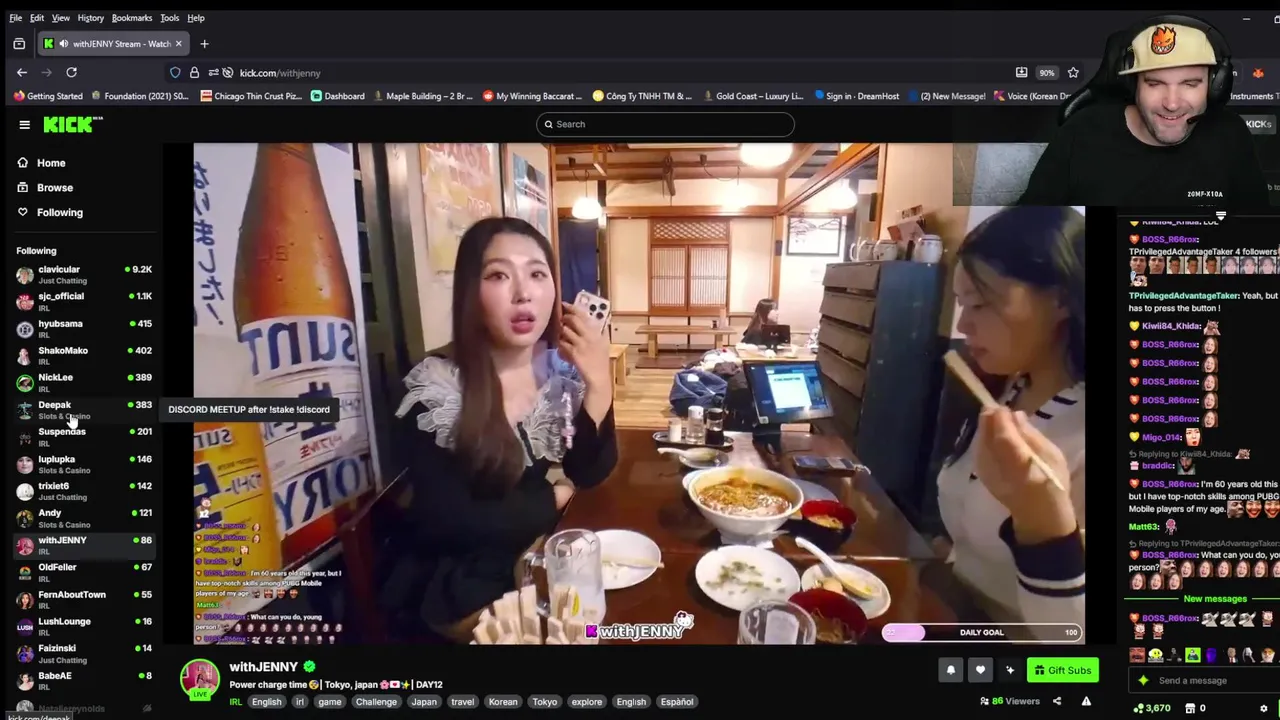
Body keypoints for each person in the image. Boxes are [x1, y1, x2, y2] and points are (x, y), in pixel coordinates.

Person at [383, 217, 617, 643]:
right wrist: (553, 497)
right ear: (470, 292)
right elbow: (447, 518)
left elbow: (589, 471)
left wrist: (600, 383)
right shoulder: (436, 386)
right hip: (465, 581)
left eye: (537, 274)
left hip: (535, 554)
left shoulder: (559, 373)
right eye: (498, 275)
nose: (523, 292)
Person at [936, 207, 1086, 639]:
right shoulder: (1007, 389)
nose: (963, 325)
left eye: (980, 304)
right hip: (953, 617)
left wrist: (1044, 525)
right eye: (961, 303)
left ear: (1060, 299)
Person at [1019, 17, 1268, 207]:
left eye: (1190, 84)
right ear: (1134, 85)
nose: (1172, 104)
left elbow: (1259, 233)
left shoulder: (1231, 134)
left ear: (1215, 87)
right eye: (1155, 83)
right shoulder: (1081, 131)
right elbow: (1024, 231)